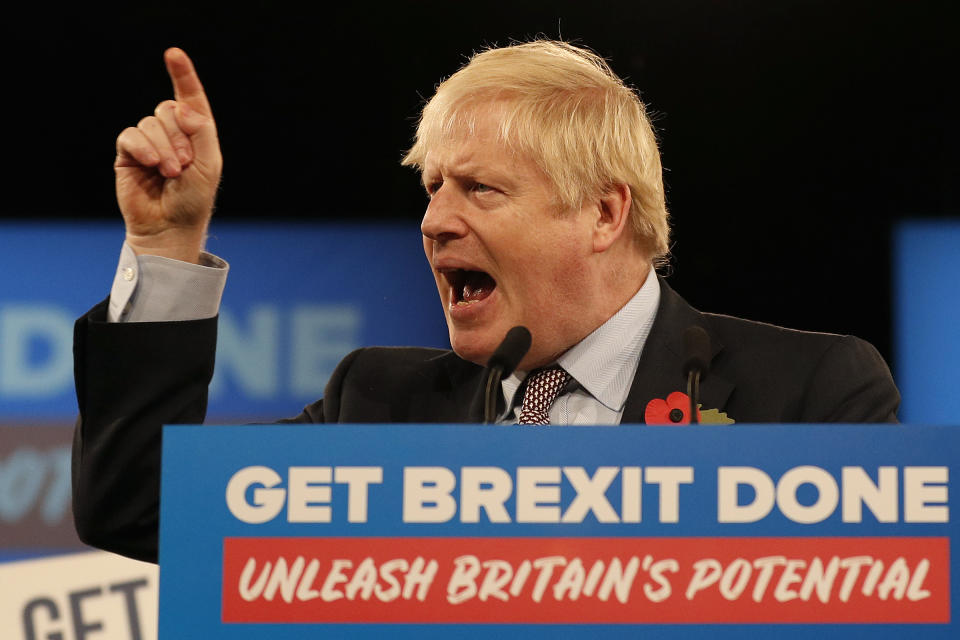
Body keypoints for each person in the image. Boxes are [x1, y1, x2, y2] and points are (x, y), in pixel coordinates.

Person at [72, 42, 900, 563]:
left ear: (604, 213)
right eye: (432, 188)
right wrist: (165, 249)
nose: (434, 221)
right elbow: (140, 504)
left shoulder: (806, 392)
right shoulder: (378, 409)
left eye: (479, 189)